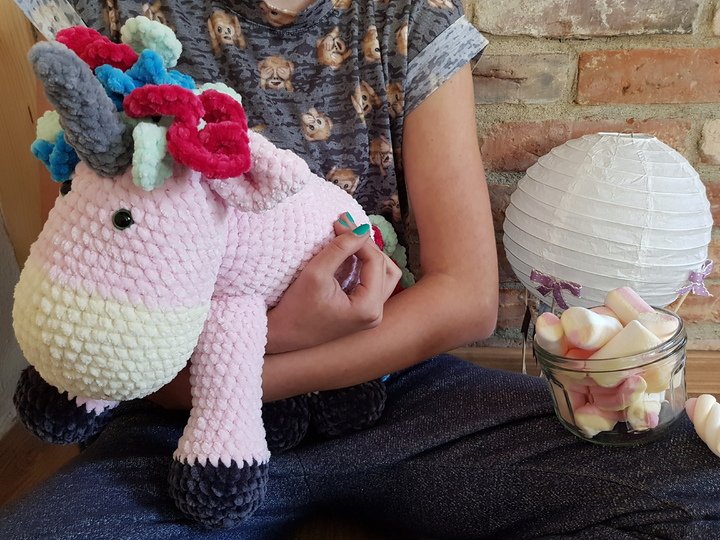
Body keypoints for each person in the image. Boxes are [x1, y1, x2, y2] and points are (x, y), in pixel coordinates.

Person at [2, 1, 720, 539]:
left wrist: (259, 362)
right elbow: (85, 312)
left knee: (692, 486)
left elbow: (468, 299)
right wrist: (279, 337)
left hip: (393, 390)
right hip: (173, 416)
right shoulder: (112, 28)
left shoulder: (407, 22)